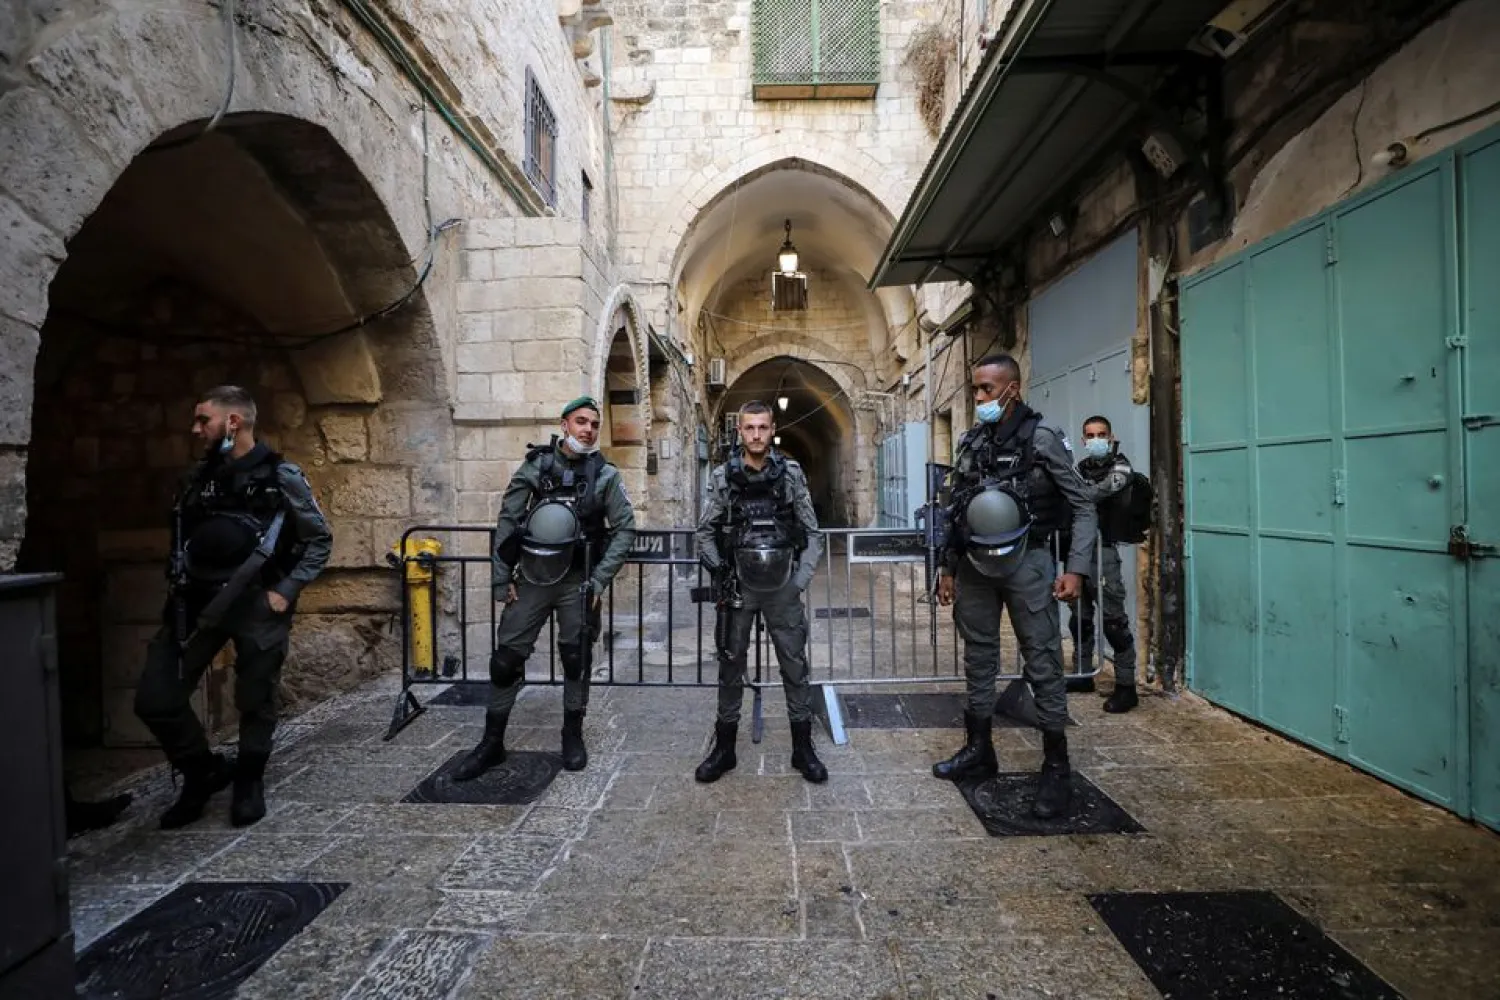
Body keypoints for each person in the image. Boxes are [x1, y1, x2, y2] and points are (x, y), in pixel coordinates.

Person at [134, 385, 332, 829]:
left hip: (257, 603)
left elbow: (319, 539)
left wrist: (287, 589)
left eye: (203, 420)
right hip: (196, 605)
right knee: (157, 697)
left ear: (233, 422)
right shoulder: (196, 478)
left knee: (255, 697)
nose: (195, 428)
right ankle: (201, 773)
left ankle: (249, 780)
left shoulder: (282, 476)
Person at [932, 355, 1097, 819]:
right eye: (976, 391)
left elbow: (1083, 506)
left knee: (1043, 659)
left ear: (1013, 389)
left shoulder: (1042, 439)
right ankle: (980, 750)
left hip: (1029, 563)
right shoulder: (970, 443)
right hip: (975, 568)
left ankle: (1056, 766)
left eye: (987, 389)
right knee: (979, 657)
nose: (979, 398)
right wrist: (947, 567)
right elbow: (955, 509)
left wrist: (1076, 570)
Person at [454, 396, 636, 780]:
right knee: (506, 660)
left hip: (578, 581)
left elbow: (624, 530)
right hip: (533, 579)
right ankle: (491, 742)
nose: (588, 429)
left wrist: (600, 579)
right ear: (565, 424)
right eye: (581, 421)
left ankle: (572, 734)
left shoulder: (605, 475)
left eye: (594, 424)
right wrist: (502, 578)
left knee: (577, 658)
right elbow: (508, 520)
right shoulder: (537, 466)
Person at [693, 400, 827, 784]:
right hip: (740, 586)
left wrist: (798, 582)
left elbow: (812, 532)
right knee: (730, 664)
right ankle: (725, 749)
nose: (756, 434)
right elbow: (704, 531)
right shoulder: (722, 476)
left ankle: (803, 748)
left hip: (782, 585)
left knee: (794, 664)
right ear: (740, 431)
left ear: (772, 430)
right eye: (749, 428)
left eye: (762, 428)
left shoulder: (790, 475)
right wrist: (720, 571)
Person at [1068, 415, 1139, 714]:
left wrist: (1073, 493)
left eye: (1101, 434)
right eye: (1090, 435)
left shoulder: (1121, 467)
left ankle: (1126, 687)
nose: (1095, 439)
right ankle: (1083, 673)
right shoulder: (1081, 468)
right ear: (1083, 440)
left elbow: (1095, 493)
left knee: (1114, 621)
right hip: (1080, 551)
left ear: (1110, 437)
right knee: (1079, 616)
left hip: (1105, 552)